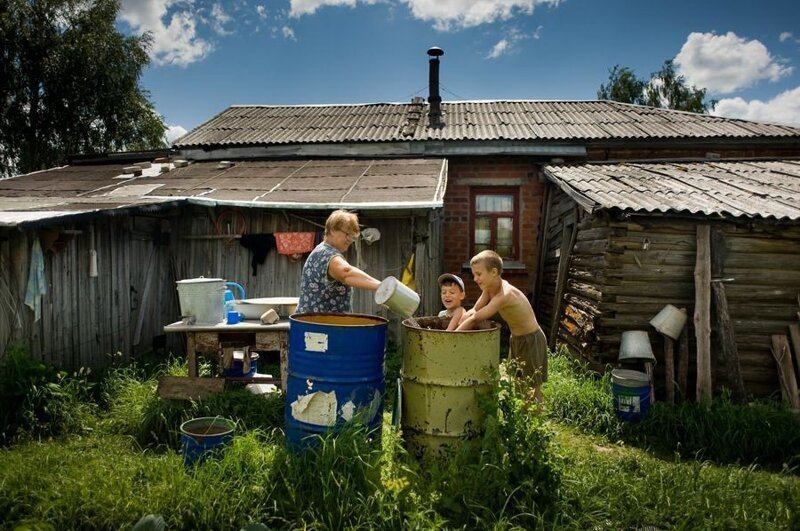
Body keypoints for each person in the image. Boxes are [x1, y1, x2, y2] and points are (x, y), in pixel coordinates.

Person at [456, 250, 547, 403]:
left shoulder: (504, 295)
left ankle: (536, 419)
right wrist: (459, 320)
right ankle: (524, 417)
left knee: (532, 386)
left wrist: (450, 336)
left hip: (531, 339)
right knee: (519, 382)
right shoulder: (489, 289)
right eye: (474, 274)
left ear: (493, 272)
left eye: (478, 274)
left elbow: (476, 318)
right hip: (517, 338)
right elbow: (474, 311)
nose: (475, 279)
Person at [296, 210, 381, 313]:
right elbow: (346, 273)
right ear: (332, 230)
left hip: (317, 324)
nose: (350, 239)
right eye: (347, 234)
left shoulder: (322, 251)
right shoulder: (326, 254)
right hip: (318, 326)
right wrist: (381, 286)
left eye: (353, 236)